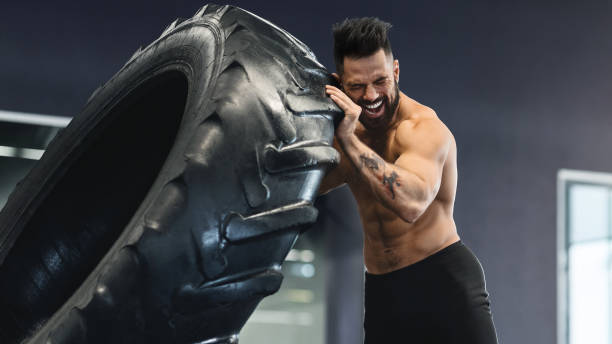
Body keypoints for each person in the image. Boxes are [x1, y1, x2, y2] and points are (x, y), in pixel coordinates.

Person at [319, 17, 499, 343]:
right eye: (357, 86)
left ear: (396, 72)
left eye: (381, 81)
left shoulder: (422, 129)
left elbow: (412, 203)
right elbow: (303, 189)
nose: (371, 96)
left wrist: (350, 143)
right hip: (383, 290)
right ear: (339, 84)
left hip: (443, 283)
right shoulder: (347, 134)